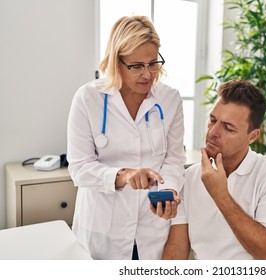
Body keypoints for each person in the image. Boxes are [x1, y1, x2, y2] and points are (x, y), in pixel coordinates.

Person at [67, 15, 185, 260]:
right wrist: (124, 175)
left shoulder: (170, 99)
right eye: (136, 66)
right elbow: (79, 168)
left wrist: (169, 192)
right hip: (103, 230)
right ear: (115, 62)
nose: (147, 74)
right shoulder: (88, 98)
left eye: (153, 63)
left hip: (152, 226)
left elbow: (174, 160)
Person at [162, 79, 266, 260]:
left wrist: (221, 196)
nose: (212, 132)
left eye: (228, 127)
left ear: (252, 136)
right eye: (212, 120)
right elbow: (176, 251)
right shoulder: (188, 178)